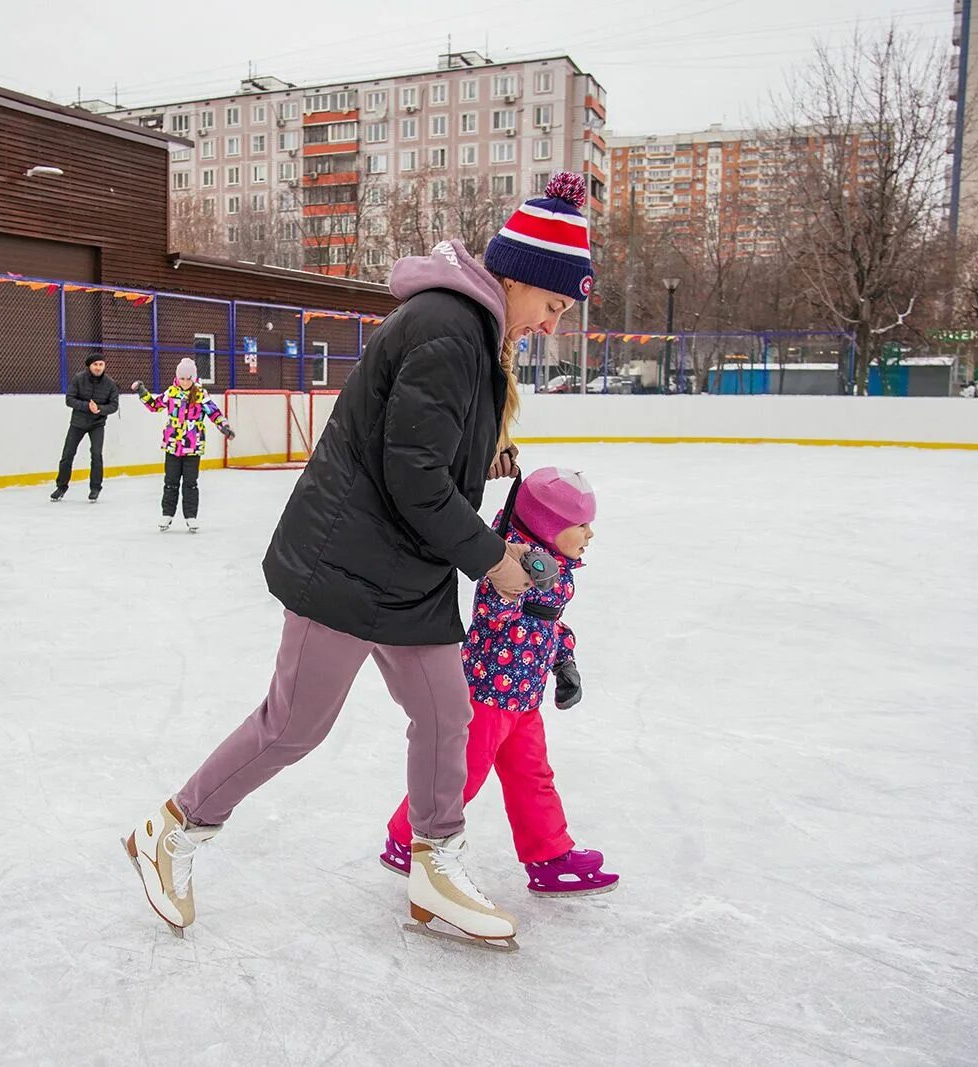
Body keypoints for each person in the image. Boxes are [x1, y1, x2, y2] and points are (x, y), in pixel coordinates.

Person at [124, 172, 596, 948]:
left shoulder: (472, 333)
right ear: (518, 277)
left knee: (449, 712)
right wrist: (493, 560)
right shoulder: (450, 330)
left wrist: (483, 452)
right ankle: (169, 830)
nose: (551, 324)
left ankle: (436, 867)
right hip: (344, 563)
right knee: (294, 725)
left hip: (405, 569)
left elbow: (422, 448)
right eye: (553, 306)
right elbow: (411, 475)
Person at [378, 466, 619, 897]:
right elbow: (492, 617)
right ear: (549, 526)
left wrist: (564, 662)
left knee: (533, 776)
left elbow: (546, 625)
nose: (589, 534)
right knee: (461, 776)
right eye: (580, 524)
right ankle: (404, 840)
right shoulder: (506, 562)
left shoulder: (555, 566)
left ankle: (549, 857)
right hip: (488, 695)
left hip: (524, 699)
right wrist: (521, 581)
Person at [131, 358, 235, 532]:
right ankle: (167, 514)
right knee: (170, 482)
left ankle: (191, 516)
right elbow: (154, 406)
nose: (185, 382)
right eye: (182, 378)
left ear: (193, 378)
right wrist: (142, 391)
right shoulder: (171, 393)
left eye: (188, 378)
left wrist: (224, 426)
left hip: (192, 447)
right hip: (172, 444)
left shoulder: (201, 394)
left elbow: (214, 412)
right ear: (177, 378)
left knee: (190, 483)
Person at [51, 354, 120, 502]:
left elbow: (114, 406)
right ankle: (61, 487)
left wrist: (100, 409)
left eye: (101, 364)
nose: (98, 367)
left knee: (96, 454)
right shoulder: (78, 379)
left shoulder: (110, 384)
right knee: (67, 454)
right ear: (89, 366)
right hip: (78, 423)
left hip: (97, 424)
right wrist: (87, 406)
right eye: (95, 364)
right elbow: (69, 399)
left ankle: (95, 488)